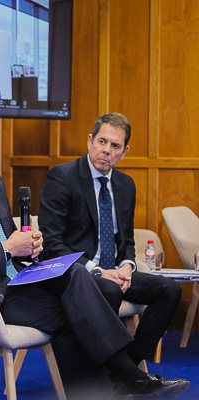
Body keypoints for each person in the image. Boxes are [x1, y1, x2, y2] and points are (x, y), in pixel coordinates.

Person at [0, 101, 189, 399]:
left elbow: (8, 239)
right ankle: (124, 378)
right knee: (75, 309)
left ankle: (119, 380)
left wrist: (28, 247)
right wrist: (8, 248)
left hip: (12, 278)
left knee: (86, 280)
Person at [38, 112, 182, 368]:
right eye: (102, 141)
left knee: (169, 290)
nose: (106, 150)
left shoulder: (126, 185)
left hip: (116, 272)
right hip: (79, 272)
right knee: (109, 288)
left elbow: (127, 239)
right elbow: (52, 245)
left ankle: (127, 365)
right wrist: (98, 271)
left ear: (124, 152)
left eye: (115, 146)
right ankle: (111, 370)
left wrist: (127, 265)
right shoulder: (62, 177)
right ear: (90, 140)